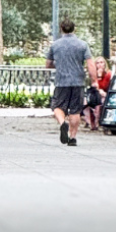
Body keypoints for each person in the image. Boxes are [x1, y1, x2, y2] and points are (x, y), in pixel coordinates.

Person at [45, 19, 96, 147]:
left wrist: (58, 65)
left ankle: (63, 123)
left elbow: (48, 64)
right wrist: (94, 80)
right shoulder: (82, 45)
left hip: (61, 82)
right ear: (74, 29)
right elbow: (90, 64)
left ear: (61, 29)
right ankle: (72, 138)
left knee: (57, 107)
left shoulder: (55, 45)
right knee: (75, 111)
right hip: (78, 82)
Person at [84, 57, 111, 131]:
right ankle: (91, 122)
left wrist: (99, 77)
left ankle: (97, 122)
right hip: (95, 94)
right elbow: (93, 86)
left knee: (99, 103)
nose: (100, 64)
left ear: (104, 64)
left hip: (105, 94)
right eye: (97, 63)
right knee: (86, 102)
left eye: (101, 62)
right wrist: (97, 76)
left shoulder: (108, 74)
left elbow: (104, 86)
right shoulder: (93, 74)